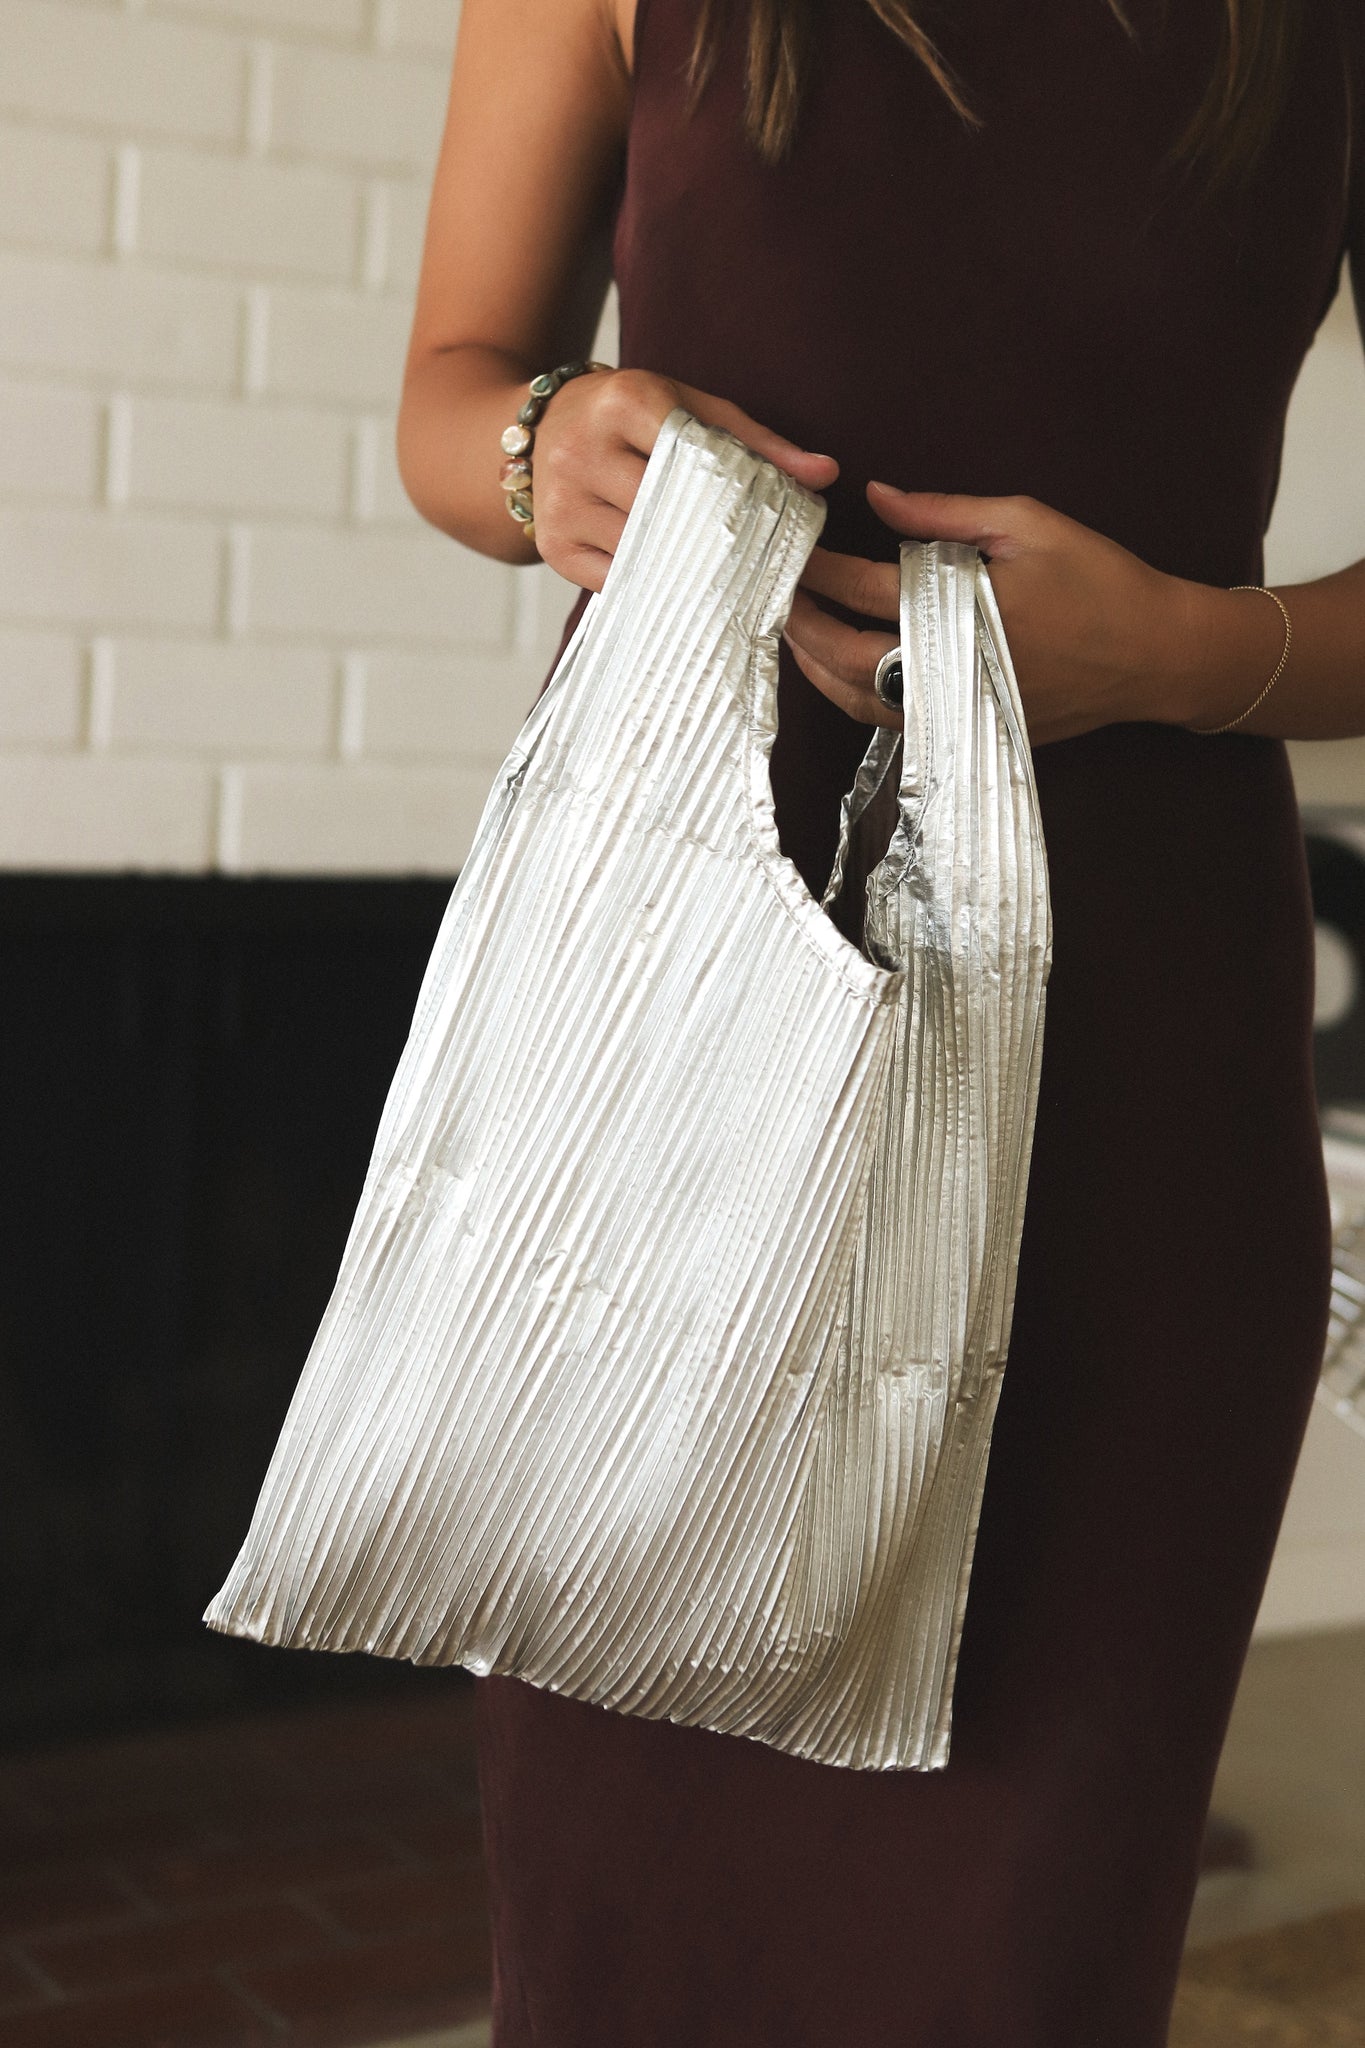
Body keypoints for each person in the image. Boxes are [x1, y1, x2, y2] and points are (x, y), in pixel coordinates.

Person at [395, 0, 1365, 2040]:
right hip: (658, 1024)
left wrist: (1184, 656)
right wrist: (544, 448)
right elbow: (451, 397)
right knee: (619, 1955)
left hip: (1126, 1046)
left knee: (1015, 1958)